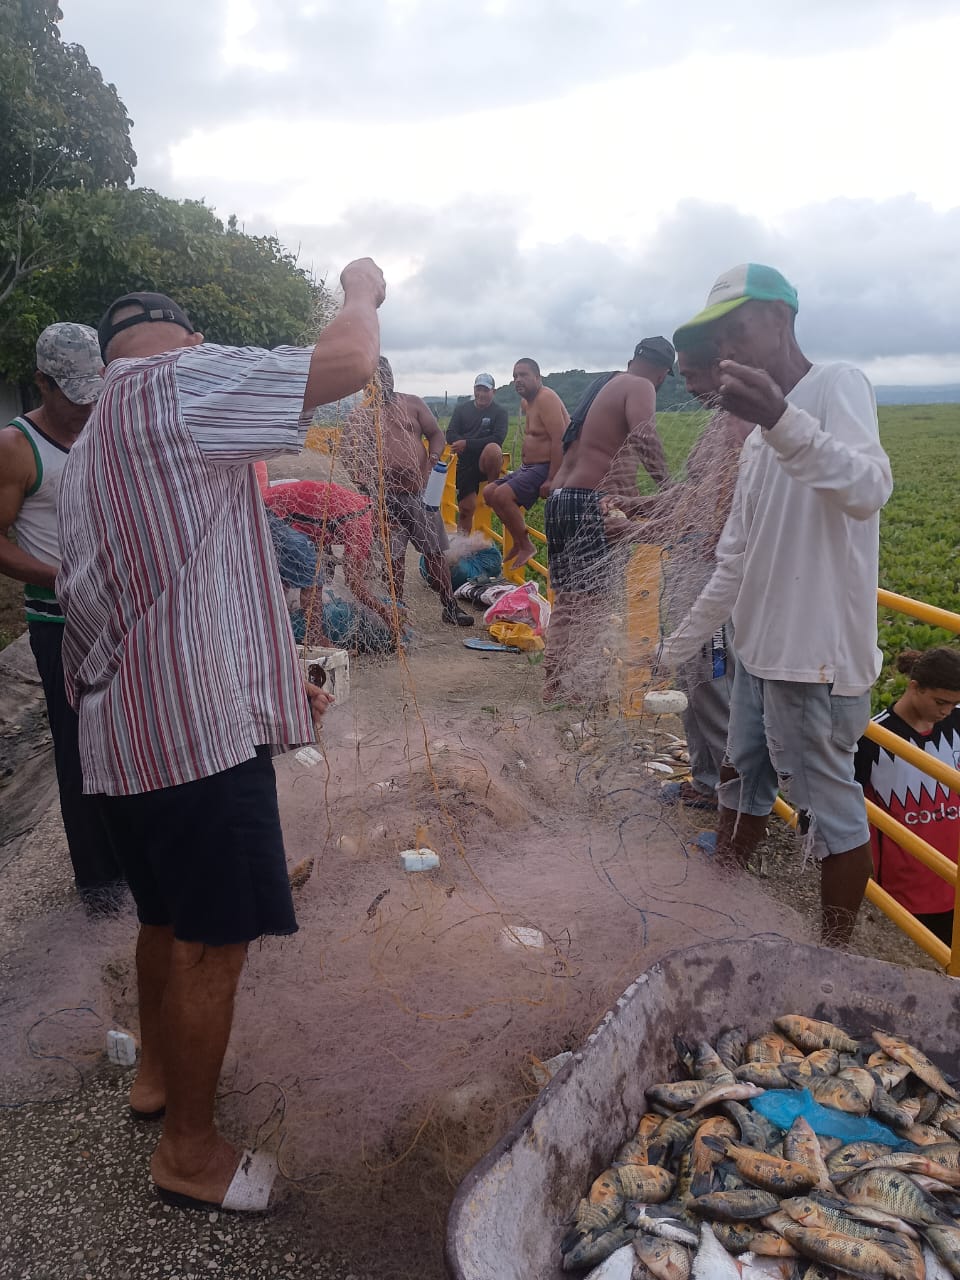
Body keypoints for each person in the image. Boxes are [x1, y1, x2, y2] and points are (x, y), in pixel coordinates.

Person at [57, 264, 384, 1214]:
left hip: (121, 734)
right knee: (214, 939)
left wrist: (274, 686)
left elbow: (153, 589)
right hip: (195, 740)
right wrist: (362, 287)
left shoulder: (90, 446)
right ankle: (190, 1153)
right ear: (189, 342)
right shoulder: (179, 386)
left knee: (161, 919)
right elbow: (351, 358)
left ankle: (156, 1078)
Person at [660, 263, 893, 947]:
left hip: (817, 662)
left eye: (737, 329)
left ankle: (833, 953)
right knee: (739, 776)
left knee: (831, 813)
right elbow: (735, 562)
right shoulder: (760, 440)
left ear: (782, 318)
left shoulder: (835, 386)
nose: (726, 350)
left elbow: (868, 486)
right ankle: (720, 893)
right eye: (717, 340)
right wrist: (673, 650)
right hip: (758, 655)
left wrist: (783, 420)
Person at [0, 323, 124, 909]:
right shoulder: (16, 447)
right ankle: (97, 877)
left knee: (130, 737)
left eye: (89, 391)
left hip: (120, 615)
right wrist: (57, 577)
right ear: (41, 382)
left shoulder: (104, 426)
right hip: (59, 622)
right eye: (68, 393)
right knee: (77, 747)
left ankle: (134, 854)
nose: (82, 407)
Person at [605, 345, 751, 809]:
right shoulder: (717, 423)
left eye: (691, 375)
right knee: (691, 680)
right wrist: (642, 507)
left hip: (714, 575)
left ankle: (735, 802)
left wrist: (640, 528)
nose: (685, 387)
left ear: (721, 368)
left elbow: (718, 518)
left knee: (712, 683)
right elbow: (694, 496)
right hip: (692, 569)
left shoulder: (743, 430)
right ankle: (706, 780)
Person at [541, 338, 674, 704]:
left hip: (560, 500)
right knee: (593, 604)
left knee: (569, 599)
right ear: (663, 374)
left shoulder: (604, 385)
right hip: (590, 504)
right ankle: (582, 691)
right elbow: (644, 436)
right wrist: (671, 490)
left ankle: (554, 685)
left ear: (633, 360)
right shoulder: (641, 386)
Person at [344, 357, 473, 626]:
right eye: (374, 377)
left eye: (385, 374)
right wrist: (359, 476)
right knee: (392, 556)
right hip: (382, 496)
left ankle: (449, 606)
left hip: (419, 492)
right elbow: (348, 452)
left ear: (392, 376)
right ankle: (395, 610)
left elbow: (437, 434)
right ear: (365, 383)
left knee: (435, 551)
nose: (382, 380)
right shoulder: (360, 414)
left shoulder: (412, 403)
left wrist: (434, 458)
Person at [855, 648, 960, 950]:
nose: (947, 711)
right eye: (940, 702)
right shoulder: (873, 736)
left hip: (955, 883)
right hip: (905, 893)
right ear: (914, 687)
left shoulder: (957, 720)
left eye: (953, 703)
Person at [254, 462, 399, 645]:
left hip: (270, 506)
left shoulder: (362, 505)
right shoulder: (363, 523)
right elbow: (354, 582)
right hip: (269, 511)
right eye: (391, 531)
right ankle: (314, 636)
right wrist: (384, 610)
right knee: (313, 572)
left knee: (285, 574)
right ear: (387, 522)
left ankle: (274, 630)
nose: (386, 538)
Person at [482, 358, 569, 570]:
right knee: (490, 492)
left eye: (523, 375)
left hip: (545, 467)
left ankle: (526, 546)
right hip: (528, 467)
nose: (518, 380)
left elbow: (560, 438)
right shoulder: (526, 403)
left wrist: (552, 478)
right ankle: (520, 542)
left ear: (538, 377)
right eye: (514, 376)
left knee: (502, 495)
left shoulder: (546, 398)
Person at [445, 373, 508, 534]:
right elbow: (450, 433)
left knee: (494, 448)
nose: (481, 394)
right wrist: (461, 443)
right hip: (465, 463)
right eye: (479, 389)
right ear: (474, 390)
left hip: (485, 461)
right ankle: (462, 547)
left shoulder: (500, 412)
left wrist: (466, 443)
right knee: (466, 509)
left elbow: (497, 438)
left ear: (493, 392)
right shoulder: (462, 410)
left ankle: (492, 489)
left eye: (485, 390)